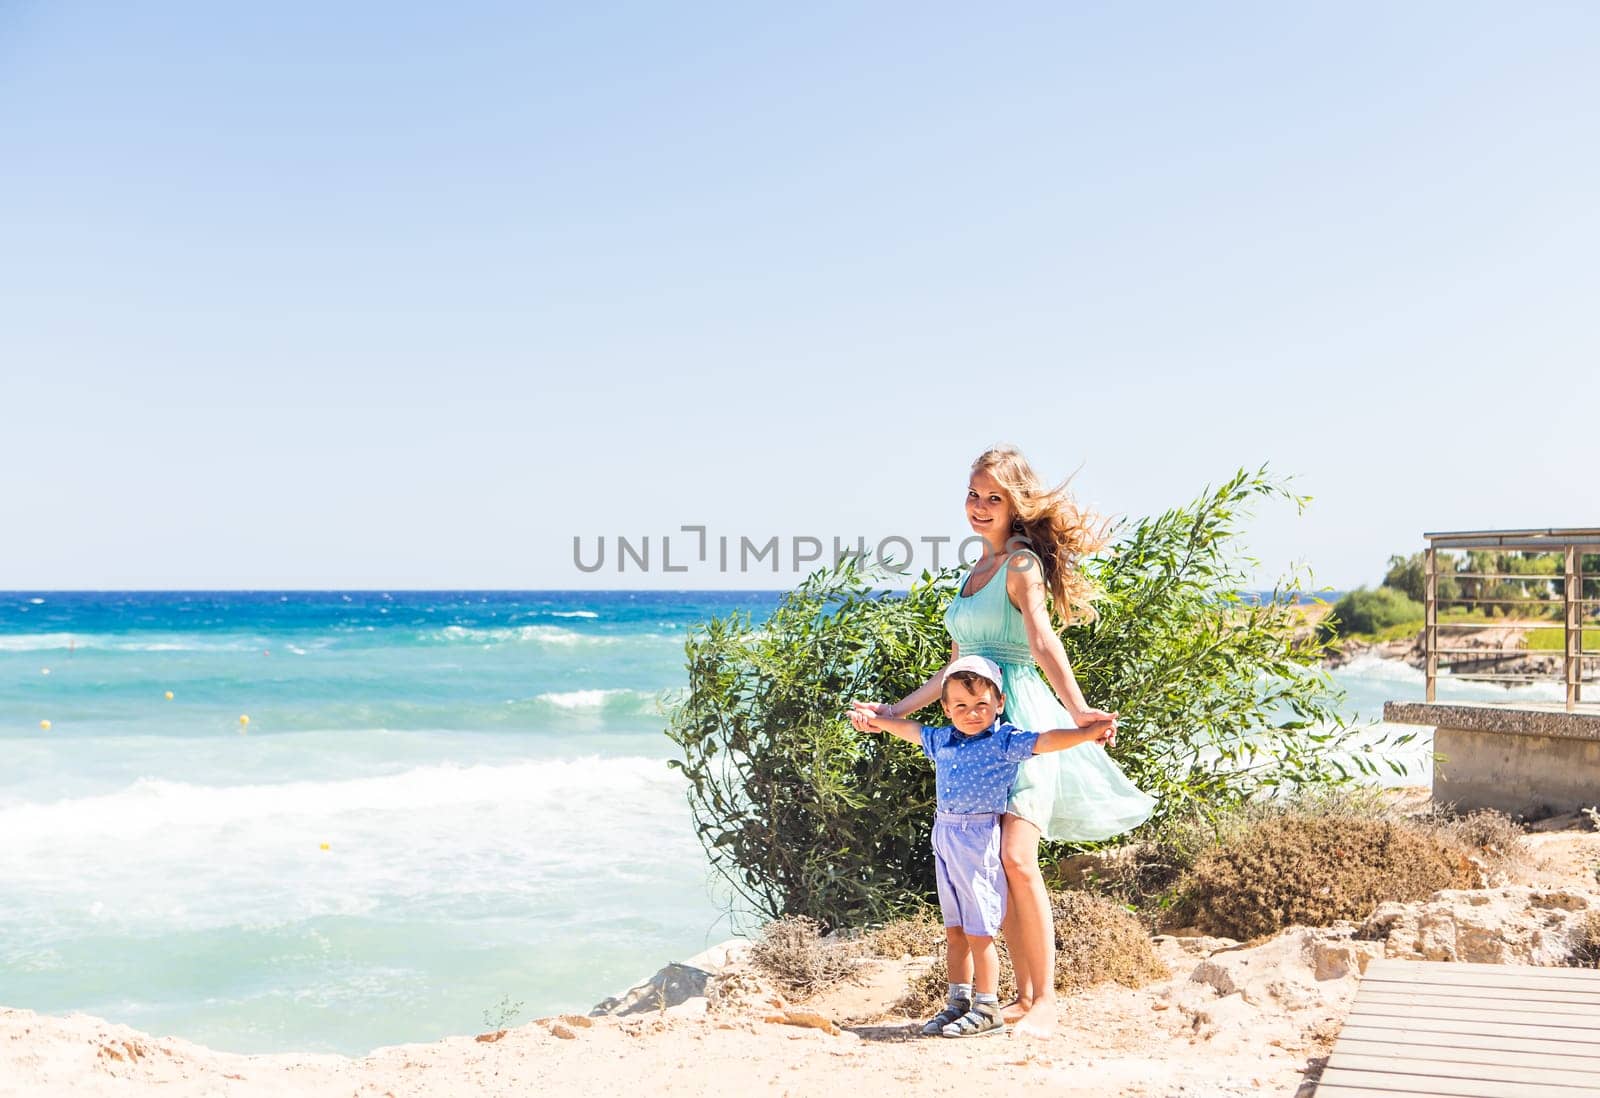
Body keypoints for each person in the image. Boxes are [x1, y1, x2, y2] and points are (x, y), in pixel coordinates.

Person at [854, 445, 1155, 1039]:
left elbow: (1042, 643)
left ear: (1016, 506)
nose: (980, 506)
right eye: (974, 494)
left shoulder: (1021, 566)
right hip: (976, 728)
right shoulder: (973, 575)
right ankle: (1018, 997)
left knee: (1019, 859)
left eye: (994, 497)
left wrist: (1080, 712)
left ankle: (1044, 1002)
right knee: (998, 866)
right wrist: (896, 710)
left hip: (1021, 721)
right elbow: (955, 671)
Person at [848, 655, 1113, 1038]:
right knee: (955, 930)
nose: (971, 714)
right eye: (961, 706)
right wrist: (875, 720)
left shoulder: (1004, 742)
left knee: (980, 931)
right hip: (946, 838)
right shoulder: (942, 739)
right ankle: (958, 1003)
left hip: (979, 840)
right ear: (946, 708)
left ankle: (988, 1007)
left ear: (999, 703)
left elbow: (1048, 740)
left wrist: (1087, 733)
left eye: (981, 706)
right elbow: (907, 728)